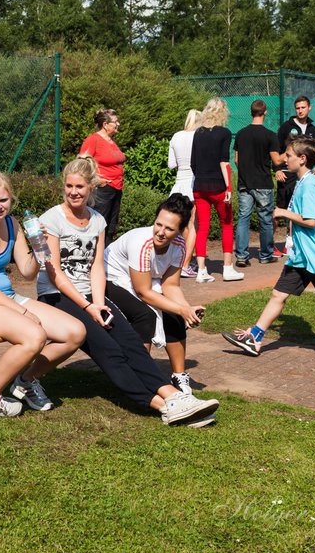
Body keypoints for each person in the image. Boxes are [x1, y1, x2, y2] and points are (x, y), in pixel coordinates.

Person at [39, 158, 219, 426]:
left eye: (79, 186)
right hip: (57, 296)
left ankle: (175, 397)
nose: (73, 192)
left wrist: (99, 303)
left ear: (91, 188)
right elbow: (55, 274)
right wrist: (89, 308)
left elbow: (97, 266)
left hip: (91, 295)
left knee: (130, 342)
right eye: (69, 186)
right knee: (108, 349)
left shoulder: (97, 220)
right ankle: (164, 405)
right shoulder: (51, 219)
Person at [222, 137, 315, 366]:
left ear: (302, 159)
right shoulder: (303, 180)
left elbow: (311, 221)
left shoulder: (309, 185)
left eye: (288, 155)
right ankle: (254, 338)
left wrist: (282, 213)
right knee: (278, 294)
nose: (284, 159)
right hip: (301, 257)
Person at [0, 170, 85, 416]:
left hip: (7, 298)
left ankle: (25, 381)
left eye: (3, 200)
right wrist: (24, 312)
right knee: (35, 335)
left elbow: (26, 272)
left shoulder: (12, 224)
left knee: (75, 332)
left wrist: (39, 250)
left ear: (11, 199)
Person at [103, 194, 208, 395]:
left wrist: (186, 310)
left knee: (174, 314)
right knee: (145, 315)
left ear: (180, 230)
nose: (160, 232)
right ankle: (141, 374)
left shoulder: (179, 245)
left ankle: (179, 375)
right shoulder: (142, 243)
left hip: (147, 280)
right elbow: (144, 293)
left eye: (169, 229)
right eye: (158, 224)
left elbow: (171, 285)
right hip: (112, 278)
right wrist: (181, 308)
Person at [190, 97, 243, 283]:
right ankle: (228, 268)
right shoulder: (225, 133)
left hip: (199, 186)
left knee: (202, 227)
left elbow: (193, 163)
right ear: (223, 112)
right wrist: (228, 186)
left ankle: (201, 271)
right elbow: (224, 162)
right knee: (226, 224)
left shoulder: (198, 133)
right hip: (218, 186)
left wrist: (202, 177)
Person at [232, 98, 282, 267]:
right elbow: (276, 161)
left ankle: (241, 255)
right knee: (266, 219)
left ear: (251, 112)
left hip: (245, 183)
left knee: (243, 218)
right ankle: (266, 254)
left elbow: (237, 160)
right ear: (265, 112)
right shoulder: (270, 135)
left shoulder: (240, 134)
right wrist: (290, 153)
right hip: (263, 182)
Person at [275, 95, 315, 256]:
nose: (300, 111)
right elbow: (276, 150)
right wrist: (277, 170)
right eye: (298, 108)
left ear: (309, 108)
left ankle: (292, 241)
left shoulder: (313, 129)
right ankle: (269, 245)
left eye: (303, 107)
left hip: (305, 175)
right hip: (287, 174)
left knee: (299, 208)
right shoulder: (287, 127)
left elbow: (314, 152)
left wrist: (313, 167)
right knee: (283, 208)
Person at [78, 108, 126, 243]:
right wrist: (97, 181)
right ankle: (93, 258)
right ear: (105, 124)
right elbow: (82, 164)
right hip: (102, 191)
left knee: (111, 227)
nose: (118, 124)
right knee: (99, 226)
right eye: (115, 122)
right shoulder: (93, 140)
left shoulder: (111, 141)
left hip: (116, 189)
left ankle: (105, 259)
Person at [167, 108, 202, 279]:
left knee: (179, 225)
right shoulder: (199, 136)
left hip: (178, 184)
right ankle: (186, 264)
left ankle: (176, 261)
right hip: (193, 183)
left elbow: (171, 164)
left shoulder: (176, 136)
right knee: (192, 226)